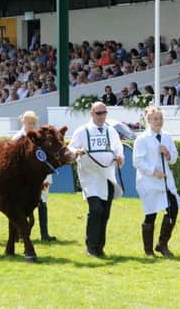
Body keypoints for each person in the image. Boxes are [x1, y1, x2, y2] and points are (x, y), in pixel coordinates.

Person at [69, 101, 124, 258]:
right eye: (98, 113)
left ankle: (100, 247)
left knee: (105, 213)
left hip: (107, 175)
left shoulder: (111, 131)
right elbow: (71, 148)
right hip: (90, 176)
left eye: (104, 113)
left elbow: (118, 147)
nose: (101, 116)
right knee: (96, 210)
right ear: (92, 114)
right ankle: (91, 247)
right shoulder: (82, 131)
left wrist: (120, 156)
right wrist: (77, 151)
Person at [133, 106, 180, 257]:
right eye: (155, 118)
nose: (159, 121)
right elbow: (137, 162)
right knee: (151, 214)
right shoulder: (142, 138)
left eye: (161, 118)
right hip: (149, 183)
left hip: (166, 182)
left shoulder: (166, 136)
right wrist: (154, 172)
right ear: (148, 120)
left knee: (173, 209)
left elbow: (173, 158)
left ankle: (162, 244)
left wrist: (167, 153)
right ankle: (148, 250)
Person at [13, 111, 56, 241]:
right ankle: (18, 234)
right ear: (23, 122)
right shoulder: (17, 138)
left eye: (33, 123)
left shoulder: (39, 138)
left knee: (42, 203)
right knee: (20, 206)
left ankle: (45, 234)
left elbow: (45, 160)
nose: (30, 125)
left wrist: (47, 178)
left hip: (38, 178)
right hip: (21, 179)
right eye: (28, 122)